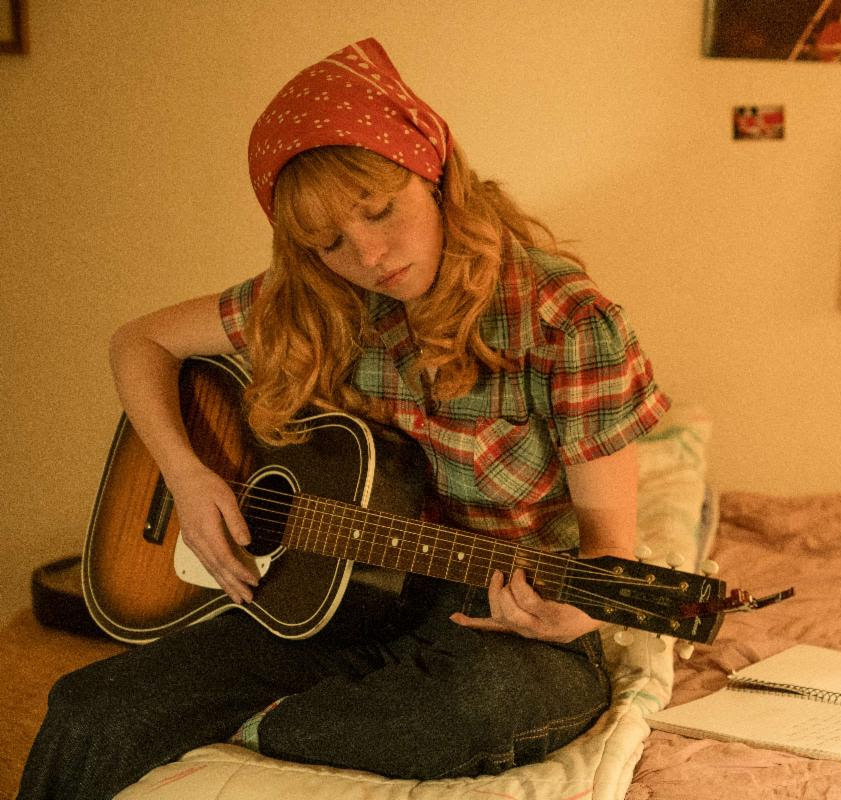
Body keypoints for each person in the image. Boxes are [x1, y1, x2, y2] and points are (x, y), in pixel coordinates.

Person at [19, 37, 669, 799]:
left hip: (501, 614)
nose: (370, 256)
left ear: (434, 173)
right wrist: (187, 477)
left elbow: (608, 551)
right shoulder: (317, 300)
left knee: (478, 707)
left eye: (380, 211)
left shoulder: (568, 322)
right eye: (329, 242)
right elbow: (140, 342)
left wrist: (575, 613)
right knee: (92, 707)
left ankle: (266, 727)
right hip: (340, 590)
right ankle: (297, 712)